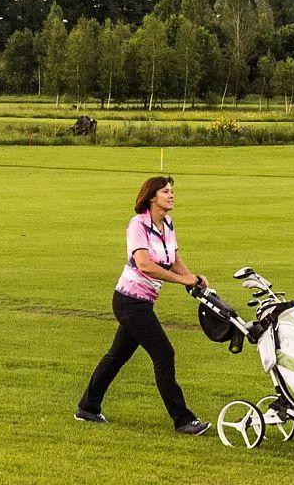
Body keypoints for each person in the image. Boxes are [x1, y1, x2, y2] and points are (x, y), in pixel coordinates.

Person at [75, 175, 210, 434]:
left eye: (172, 191)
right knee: (164, 354)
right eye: (165, 191)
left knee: (116, 357)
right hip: (129, 301)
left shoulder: (168, 224)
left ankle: (87, 407)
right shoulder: (138, 225)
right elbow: (145, 265)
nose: (171, 195)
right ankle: (182, 419)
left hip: (142, 304)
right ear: (151, 197)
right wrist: (182, 280)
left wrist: (194, 281)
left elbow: (173, 260)